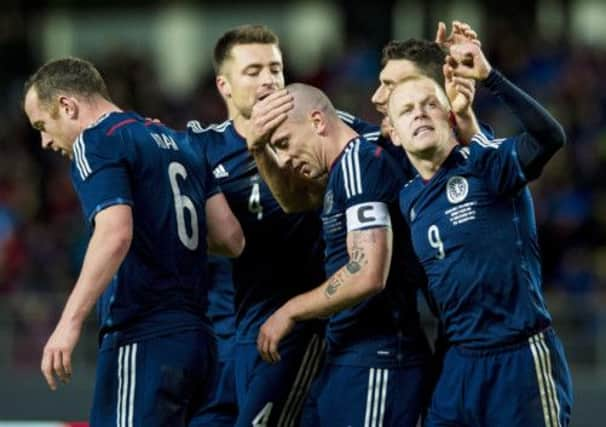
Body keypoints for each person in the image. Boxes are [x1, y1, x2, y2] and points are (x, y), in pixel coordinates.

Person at [23, 57, 245, 426]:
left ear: (67, 105)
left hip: (142, 334)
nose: (45, 141)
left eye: (43, 125)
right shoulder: (180, 143)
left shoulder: (95, 140)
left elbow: (114, 233)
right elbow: (231, 238)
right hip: (199, 342)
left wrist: (69, 322)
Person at [388, 40, 573, 426]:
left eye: (429, 104)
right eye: (406, 110)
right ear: (393, 132)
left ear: (451, 113)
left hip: (518, 358)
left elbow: (549, 138)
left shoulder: (485, 162)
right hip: (456, 364)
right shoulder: (407, 200)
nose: (419, 114)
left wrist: (491, 78)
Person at [257, 83, 432, 426]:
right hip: (348, 355)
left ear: (318, 122)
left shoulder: (358, 164)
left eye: (284, 143)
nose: (285, 160)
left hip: (377, 358)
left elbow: (368, 272)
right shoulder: (341, 173)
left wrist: (290, 311)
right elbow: (291, 201)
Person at [187, 25, 326, 427]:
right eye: (253, 71)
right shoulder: (199, 148)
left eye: (276, 69)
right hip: (217, 344)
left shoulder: (317, 136)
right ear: (224, 84)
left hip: (282, 339)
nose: (269, 79)